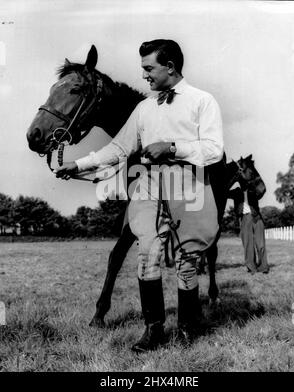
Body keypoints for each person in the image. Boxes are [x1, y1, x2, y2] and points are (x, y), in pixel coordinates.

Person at [55, 39, 224, 352]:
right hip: (147, 184)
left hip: (189, 183)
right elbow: (118, 148)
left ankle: (187, 329)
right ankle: (154, 330)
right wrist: (77, 164)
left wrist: (172, 147)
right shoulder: (144, 108)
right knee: (147, 254)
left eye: (149, 68)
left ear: (170, 67)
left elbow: (214, 150)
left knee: (187, 260)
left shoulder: (203, 101)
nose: (144, 75)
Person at [228, 179, 269, 274]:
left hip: (256, 217)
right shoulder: (236, 192)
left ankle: (263, 266)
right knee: (247, 245)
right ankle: (251, 267)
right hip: (244, 219)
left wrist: (256, 181)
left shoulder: (253, 190)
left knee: (261, 244)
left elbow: (262, 190)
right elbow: (223, 191)